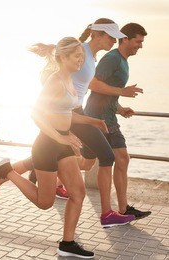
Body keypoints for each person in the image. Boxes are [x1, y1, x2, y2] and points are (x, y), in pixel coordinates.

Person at [0, 18, 150, 228]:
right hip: (70, 112)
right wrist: (118, 94)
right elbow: (74, 80)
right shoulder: (81, 52)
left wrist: (105, 113)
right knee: (106, 155)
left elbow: (80, 83)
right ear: (97, 35)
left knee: (73, 158)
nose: (113, 41)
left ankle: (3, 177)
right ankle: (107, 213)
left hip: (75, 112)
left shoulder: (90, 56)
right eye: (111, 37)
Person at [0, 37, 95, 258]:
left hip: (62, 142)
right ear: (63, 58)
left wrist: (75, 133)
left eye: (82, 57)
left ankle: (67, 243)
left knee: (78, 193)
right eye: (77, 56)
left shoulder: (69, 80)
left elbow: (64, 113)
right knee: (44, 202)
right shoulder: (55, 81)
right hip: (47, 144)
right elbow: (36, 112)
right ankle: (7, 171)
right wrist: (59, 137)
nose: (80, 61)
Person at [84, 22, 151, 223]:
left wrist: (120, 108)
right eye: (138, 42)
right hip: (97, 118)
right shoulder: (112, 58)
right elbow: (93, 84)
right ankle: (43, 162)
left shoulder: (123, 60)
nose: (140, 46)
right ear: (125, 39)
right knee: (98, 161)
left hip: (109, 117)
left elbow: (108, 90)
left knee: (105, 160)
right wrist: (122, 92)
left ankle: (123, 208)